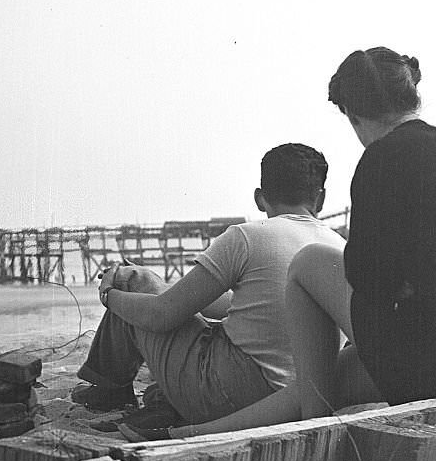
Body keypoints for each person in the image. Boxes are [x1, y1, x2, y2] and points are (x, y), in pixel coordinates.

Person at [158, 47, 436, 441]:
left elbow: (369, 279)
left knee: (309, 263)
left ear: (353, 115)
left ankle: (313, 429)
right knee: (324, 374)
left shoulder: (381, 159)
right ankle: (194, 434)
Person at [72, 144, 345, 436]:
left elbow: (161, 316)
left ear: (259, 198)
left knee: (131, 286)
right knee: (152, 288)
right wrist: (164, 288)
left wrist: (110, 296)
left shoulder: (246, 237)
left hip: (225, 396)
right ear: (322, 198)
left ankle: (109, 389)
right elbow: (254, 309)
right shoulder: (338, 248)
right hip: (294, 396)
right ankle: (156, 399)